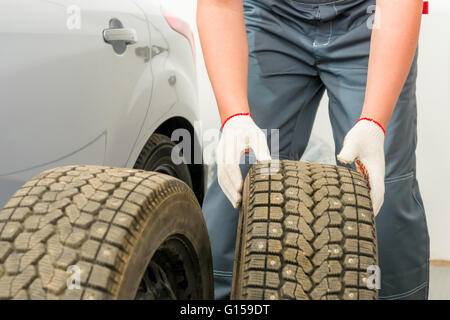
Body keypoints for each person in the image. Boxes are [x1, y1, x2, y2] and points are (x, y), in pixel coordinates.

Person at [197, 0, 429, 300]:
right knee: (243, 168)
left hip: (368, 18)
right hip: (271, 15)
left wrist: (374, 123)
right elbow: (219, 5)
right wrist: (236, 117)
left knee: (380, 189)